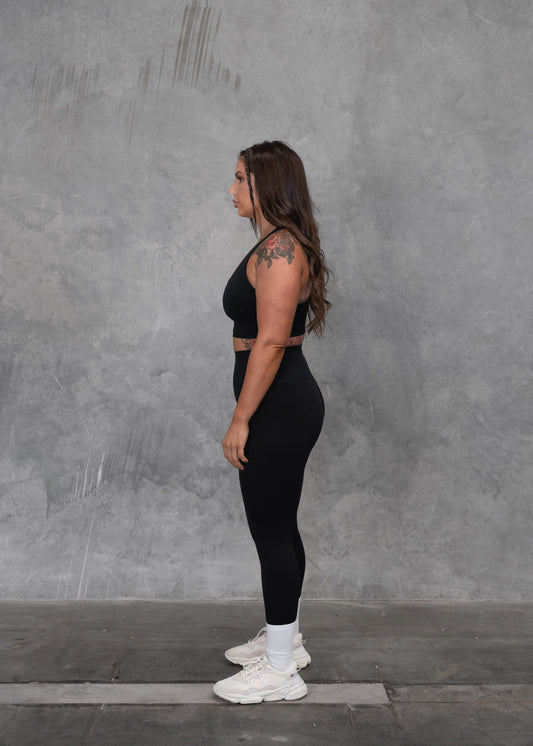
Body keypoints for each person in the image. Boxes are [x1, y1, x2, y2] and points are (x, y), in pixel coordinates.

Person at [213, 141, 330, 704]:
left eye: (240, 178)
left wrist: (241, 419)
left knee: (270, 530)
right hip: (277, 402)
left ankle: (281, 670)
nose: (231, 189)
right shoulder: (273, 244)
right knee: (279, 525)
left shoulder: (281, 249)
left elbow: (272, 341)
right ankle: (287, 640)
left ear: (266, 183)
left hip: (278, 406)